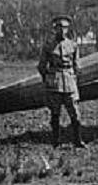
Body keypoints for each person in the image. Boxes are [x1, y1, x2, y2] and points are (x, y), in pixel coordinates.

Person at [37, 15, 86, 148]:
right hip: (54, 82)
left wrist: (75, 79)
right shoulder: (48, 46)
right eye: (58, 27)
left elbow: (77, 65)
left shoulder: (73, 45)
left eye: (64, 27)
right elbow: (41, 66)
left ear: (67, 29)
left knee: (75, 113)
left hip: (69, 81)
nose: (61, 30)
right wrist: (47, 80)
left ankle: (78, 141)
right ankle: (56, 142)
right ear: (54, 29)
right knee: (55, 113)